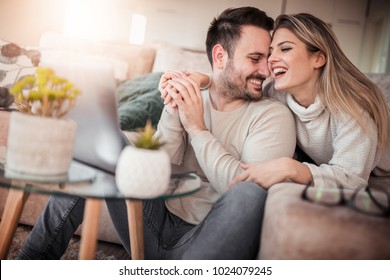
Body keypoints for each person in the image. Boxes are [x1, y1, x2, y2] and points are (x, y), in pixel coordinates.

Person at [17, 7, 296, 260]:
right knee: (103, 144)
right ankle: (30, 261)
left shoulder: (273, 116)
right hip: (151, 222)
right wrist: (175, 109)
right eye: (256, 58)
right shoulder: (191, 94)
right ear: (220, 57)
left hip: (204, 241)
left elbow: (242, 190)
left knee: (250, 194)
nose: (266, 70)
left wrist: (197, 129)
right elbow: (158, 170)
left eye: (267, 59)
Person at [194, 13, 390, 190]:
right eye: (271, 52)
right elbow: (238, 82)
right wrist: (204, 80)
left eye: (285, 49)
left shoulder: (353, 106)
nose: (270, 60)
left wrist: (291, 168)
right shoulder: (278, 93)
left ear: (318, 58)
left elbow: (352, 178)